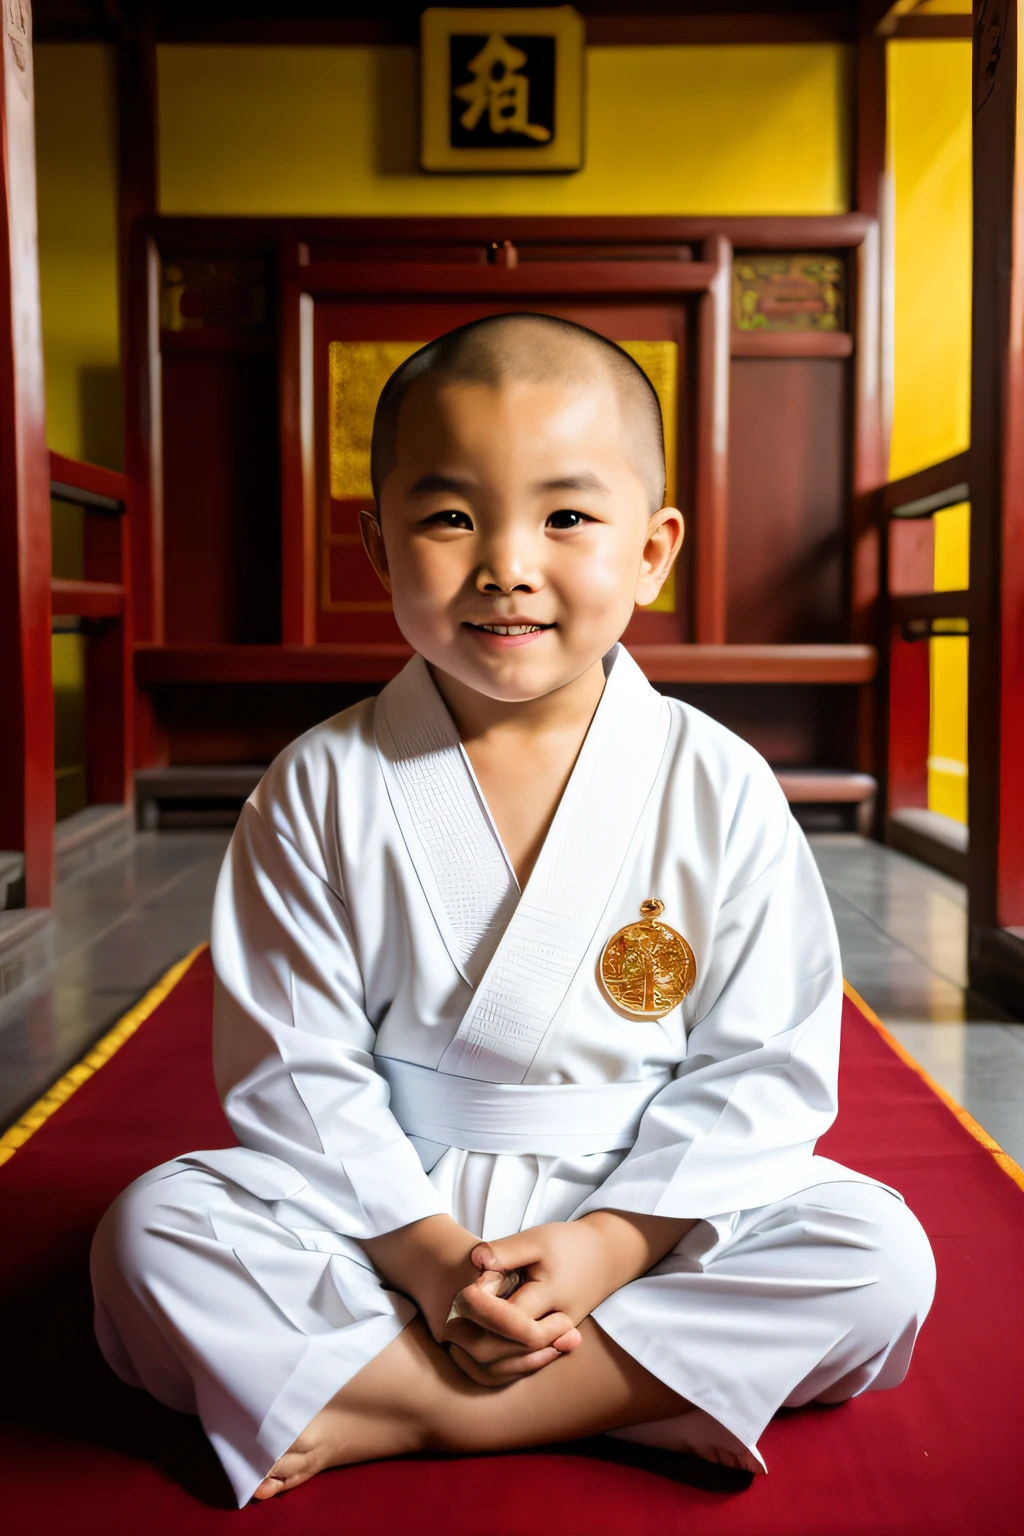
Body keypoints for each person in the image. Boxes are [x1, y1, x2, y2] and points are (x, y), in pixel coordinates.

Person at [91, 314, 936, 1507]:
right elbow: (294, 1069)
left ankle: (402, 1411)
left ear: (652, 551)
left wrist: (608, 1245)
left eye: (568, 517)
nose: (507, 563)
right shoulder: (318, 784)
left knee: (876, 1258)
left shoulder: (719, 782)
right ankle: (634, 1397)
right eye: (448, 517)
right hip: (389, 1214)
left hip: (643, 1204)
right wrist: (432, 1261)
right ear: (375, 545)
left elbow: (763, 1064)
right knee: (151, 1237)